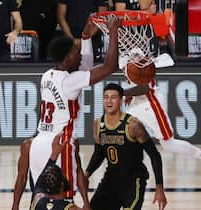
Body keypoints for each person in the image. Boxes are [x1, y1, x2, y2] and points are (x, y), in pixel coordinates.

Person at [27, 16, 120, 208]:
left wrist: (85, 37)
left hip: (39, 143)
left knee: (40, 200)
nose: (79, 55)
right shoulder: (69, 82)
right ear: (66, 58)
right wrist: (113, 32)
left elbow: (83, 68)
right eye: (75, 53)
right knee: (65, 201)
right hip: (59, 145)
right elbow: (109, 67)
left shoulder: (47, 76)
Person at [122, 63, 201, 181]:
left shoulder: (139, 56)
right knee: (123, 131)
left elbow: (144, 88)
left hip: (151, 103)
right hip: (137, 101)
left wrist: (121, 92)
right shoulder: (124, 54)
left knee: (168, 145)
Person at [85, 83, 167, 210]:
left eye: (113, 97)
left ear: (121, 100)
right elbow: (99, 153)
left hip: (133, 182)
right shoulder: (98, 124)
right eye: (106, 97)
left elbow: (154, 155)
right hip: (110, 181)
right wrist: (87, 174)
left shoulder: (133, 125)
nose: (109, 101)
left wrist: (159, 188)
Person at [12, 132, 83, 210]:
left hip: (41, 202)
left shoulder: (37, 199)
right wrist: (86, 202)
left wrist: (15, 205)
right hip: (63, 200)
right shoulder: (71, 208)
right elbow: (79, 170)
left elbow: (32, 181)